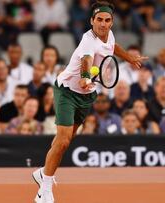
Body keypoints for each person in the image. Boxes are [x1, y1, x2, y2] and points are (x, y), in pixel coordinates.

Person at [31, 2, 148, 202]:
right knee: (64, 139)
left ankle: (43, 172)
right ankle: (45, 189)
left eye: (107, 20)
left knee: (65, 142)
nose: (103, 24)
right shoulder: (88, 40)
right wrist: (85, 77)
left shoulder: (109, 35)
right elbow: (87, 59)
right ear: (91, 21)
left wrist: (129, 58)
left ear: (111, 22)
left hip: (86, 95)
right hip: (67, 91)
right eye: (99, 20)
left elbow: (113, 46)